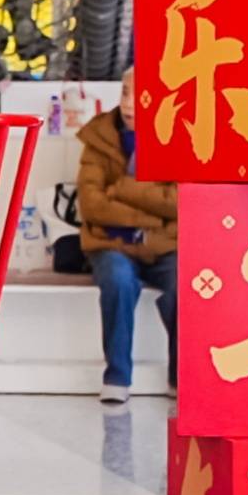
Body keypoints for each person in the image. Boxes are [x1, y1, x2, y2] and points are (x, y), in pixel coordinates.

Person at [76, 102, 177, 403]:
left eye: (138, 94)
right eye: (125, 93)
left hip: (165, 244)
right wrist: (152, 213)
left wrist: (121, 189)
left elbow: (179, 202)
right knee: (117, 280)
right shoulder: (98, 137)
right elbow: (92, 204)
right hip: (111, 243)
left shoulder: (182, 133)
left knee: (183, 284)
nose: (131, 103)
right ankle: (117, 376)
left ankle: (181, 378)